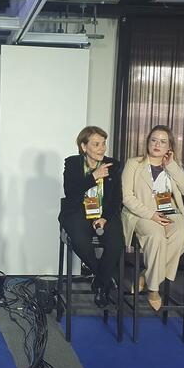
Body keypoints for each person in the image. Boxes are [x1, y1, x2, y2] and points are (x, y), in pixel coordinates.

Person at [121, 125, 184, 311]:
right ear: (148, 142)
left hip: (170, 211)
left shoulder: (173, 166)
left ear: (169, 146)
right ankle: (154, 289)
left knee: (182, 233)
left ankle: (146, 276)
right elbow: (127, 197)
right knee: (156, 236)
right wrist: (151, 215)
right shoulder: (134, 164)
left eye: (162, 142)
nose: (157, 144)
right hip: (142, 212)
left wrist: (172, 166)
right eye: (154, 140)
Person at [59, 126, 124, 308]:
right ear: (83, 146)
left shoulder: (113, 165)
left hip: (104, 213)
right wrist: (94, 176)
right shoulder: (72, 164)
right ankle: (104, 279)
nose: (101, 148)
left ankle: (99, 282)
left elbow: (117, 198)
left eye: (103, 144)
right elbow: (71, 193)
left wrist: (105, 218)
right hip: (77, 211)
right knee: (80, 240)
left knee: (116, 243)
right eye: (96, 144)